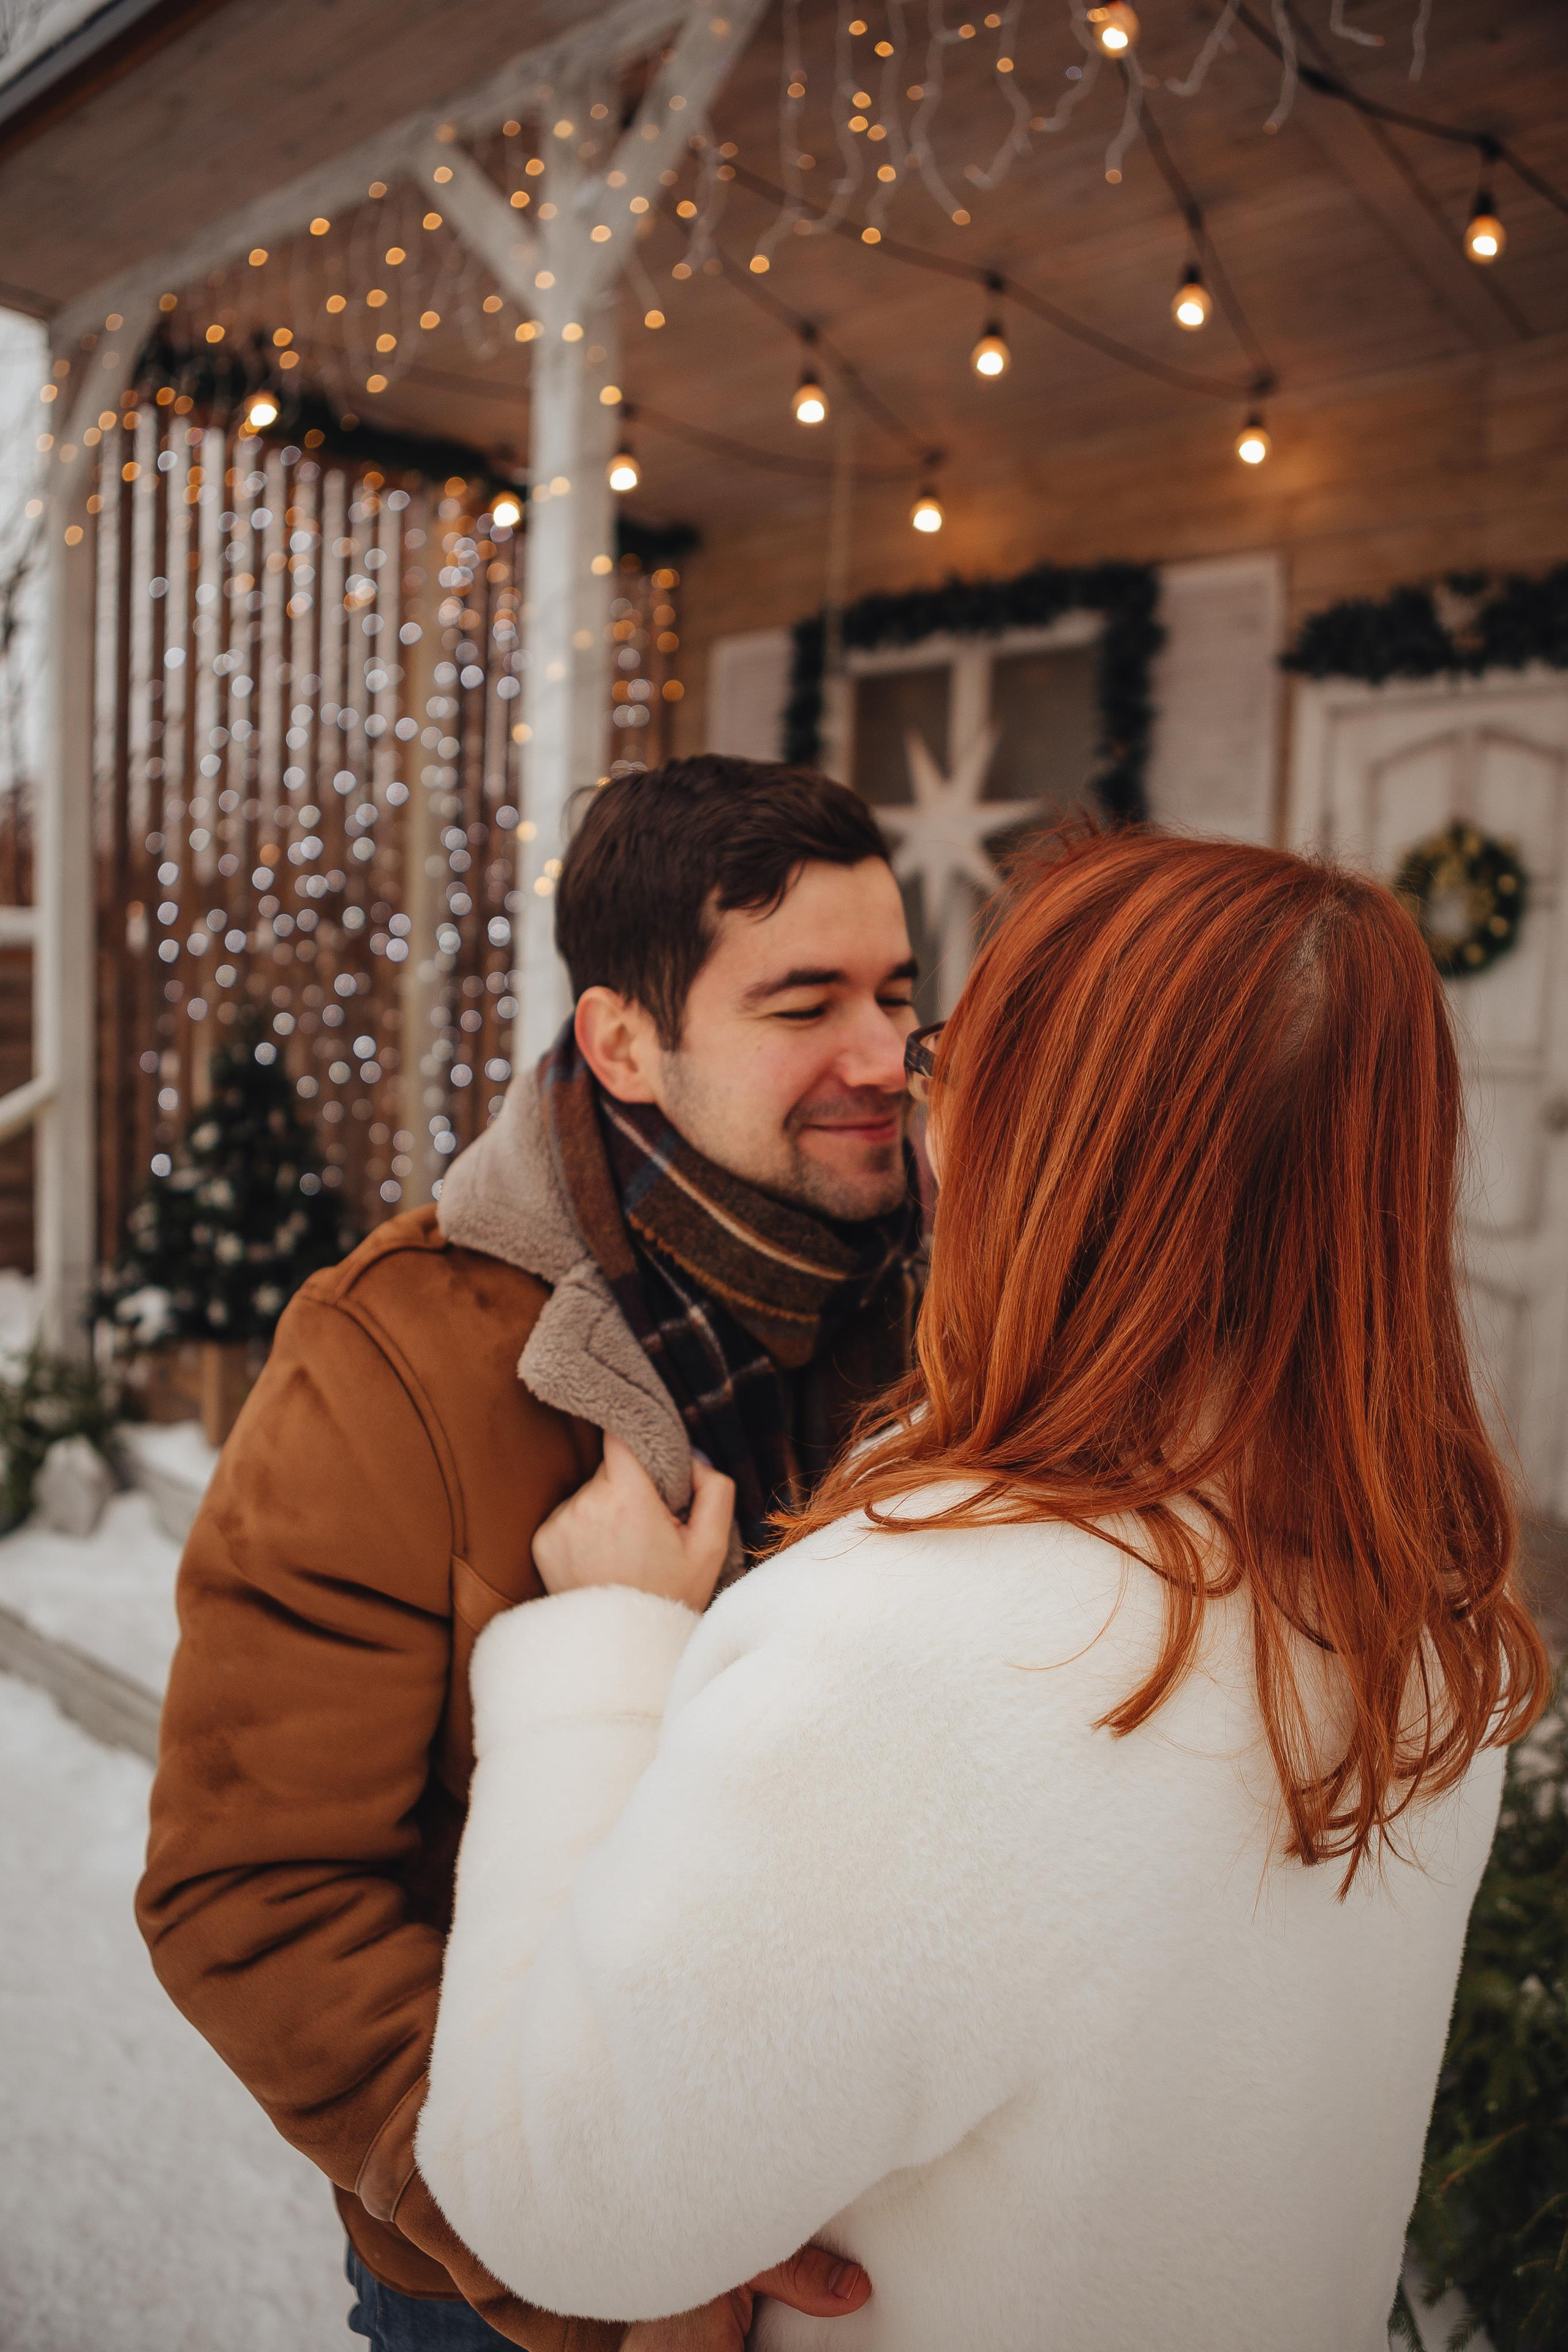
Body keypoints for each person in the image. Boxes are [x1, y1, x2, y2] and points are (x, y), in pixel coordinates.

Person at [414, 826, 1550, 2352]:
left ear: (1047, 1142)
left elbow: (558, 2194)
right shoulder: (1424, 1601)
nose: (897, 1082)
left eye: (943, 1048)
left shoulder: (932, 1643)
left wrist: (599, 1658)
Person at [136, 755, 928, 2350]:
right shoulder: (395, 1363)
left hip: (865, 2212)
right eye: (804, 1005)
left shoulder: (935, 1306)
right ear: (624, 1042)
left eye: (900, 992)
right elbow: (252, 1896)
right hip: (526, 2293)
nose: (886, 1056)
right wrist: (576, 2227)